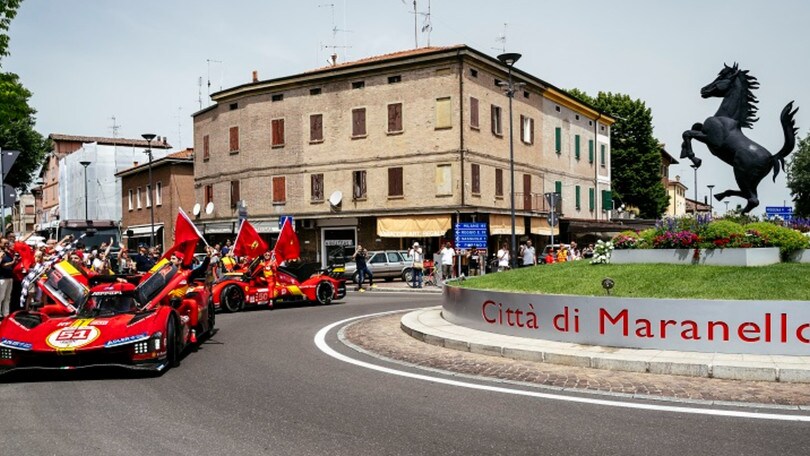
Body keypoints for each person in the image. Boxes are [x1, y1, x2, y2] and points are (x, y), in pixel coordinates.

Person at [0, 238, 17, 319]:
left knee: (7, 297)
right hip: (2, 278)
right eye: (4, 243)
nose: (6, 245)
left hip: (9, 277)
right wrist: (12, 262)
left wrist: (14, 261)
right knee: (1, 297)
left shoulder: (8, 253)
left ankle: (6, 314)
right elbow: (2, 265)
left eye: (7, 243)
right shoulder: (1, 253)